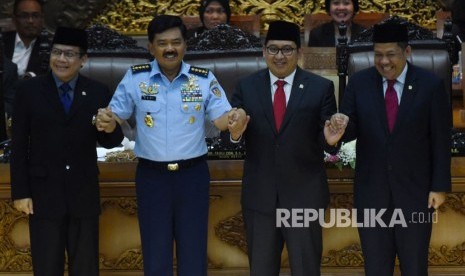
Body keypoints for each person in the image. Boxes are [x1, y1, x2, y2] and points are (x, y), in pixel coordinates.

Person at [102, 15, 245, 276]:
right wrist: (105, 120)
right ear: (151, 47)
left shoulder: (202, 79)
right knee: (155, 253)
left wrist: (235, 119)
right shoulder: (135, 78)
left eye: (176, 42)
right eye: (163, 43)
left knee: (193, 251)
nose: (170, 49)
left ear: (185, 46)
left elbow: (222, 118)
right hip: (151, 177)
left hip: (192, 176)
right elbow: (115, 116)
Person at [332, 21, 451, 275]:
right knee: (375, 267)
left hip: (415, 194)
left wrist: (439, 186)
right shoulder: (360, 83)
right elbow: (349, 129)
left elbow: (440, 138)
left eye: (390, 54)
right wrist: (339, 127)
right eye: (377, 55)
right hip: (372, 193)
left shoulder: (429, 85)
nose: (383, 62)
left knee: (415, 266)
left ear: (406, 52)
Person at [229, 20, 342, 275]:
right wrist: (235, 134)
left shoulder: (320, 88)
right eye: (273, 49)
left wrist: (331, 141)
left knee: (305, 269)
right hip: (261, 197)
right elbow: (231, 136)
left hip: (304, 197)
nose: (280, 56)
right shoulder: (246, 87)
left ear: (300, 52)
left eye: (287, 49)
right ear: (263, 52)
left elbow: (327, 139)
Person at [10, 26, 124, 276]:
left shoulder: (97, 91)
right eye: (57, 52)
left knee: (85, 267)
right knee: (46, 267)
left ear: (83, 59)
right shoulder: (28, 91)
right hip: (43, 195)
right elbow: (18, 146)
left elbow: (110, 142)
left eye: (70, 54)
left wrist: (110, 126)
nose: (61, 59)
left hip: (83, 194)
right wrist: (20, 192)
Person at [3, 0, 48, 78]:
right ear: (14, 19)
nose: (30, 21)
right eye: (24, 16)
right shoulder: (3, 41)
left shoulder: (49, 48)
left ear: (42, 19)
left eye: (35, 16)